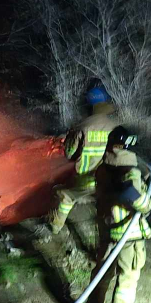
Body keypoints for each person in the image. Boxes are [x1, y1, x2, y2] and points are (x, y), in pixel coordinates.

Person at [94, 126, 151, 303]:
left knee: (103, 270)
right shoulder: (130, 170)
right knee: (128, 276)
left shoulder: (103, 167)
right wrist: (147, 203)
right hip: (128, 233)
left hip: (107, 229)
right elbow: (136, 199)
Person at [49, 85, 119, 235]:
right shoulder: (116, 127)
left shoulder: (83, 127)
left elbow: (69, 154)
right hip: (111, 180)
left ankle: (54, 229)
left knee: (65, 196)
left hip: (86, 180)